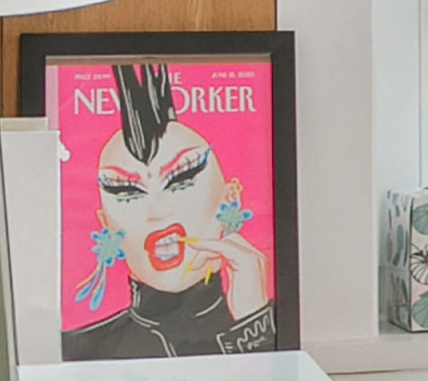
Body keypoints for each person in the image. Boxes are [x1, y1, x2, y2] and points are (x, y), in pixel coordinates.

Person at [68, 51, 279, 355]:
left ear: (230, 197)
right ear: (106, 223)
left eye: (182, 180)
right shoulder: (75, 351)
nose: (157, 212)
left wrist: (255, 325)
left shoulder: (274, 328)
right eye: (127, 192)